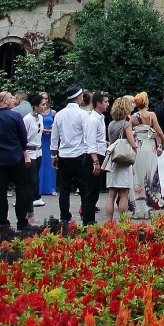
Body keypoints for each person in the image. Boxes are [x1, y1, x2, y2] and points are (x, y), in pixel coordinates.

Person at [0, 91, 33, 230]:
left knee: (2, 191)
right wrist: (21, 149)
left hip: (1, 158)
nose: (13, 100)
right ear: (4, 101)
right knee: (21, 189)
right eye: (11, 98)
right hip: (16, 156)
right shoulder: (15, 116)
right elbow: (23, 137)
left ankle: (3, 222)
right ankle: (21, 221)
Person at [50, 84, 89, 226]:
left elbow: (54, 137)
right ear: (78, 98)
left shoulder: (59, 114)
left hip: (63, 155)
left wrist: (54, 156)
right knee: (84, 188)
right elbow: (86, 135)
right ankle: (86, 215)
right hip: (79, 155)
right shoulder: (83, 114)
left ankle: (65, 217)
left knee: (64, 189)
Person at [131, 91, 164, 216]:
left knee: (138, 175)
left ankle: (139, 206)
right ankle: (153, 202)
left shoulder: (133, 117)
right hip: (149, 146)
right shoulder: (151, 115)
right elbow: (158, 130)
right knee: (152, 173)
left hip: (138, 147)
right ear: (145, 101)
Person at [105, 95, 138, 222]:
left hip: (113, 159)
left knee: (111, 194)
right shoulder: (126, 125)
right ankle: (124, 221)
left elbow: (111, 141)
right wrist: (135, 149)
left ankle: (108, 221)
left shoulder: (111, 124)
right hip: (124, 161)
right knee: (124, 193)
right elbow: (132, 143)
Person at [82, 90, 109, 225]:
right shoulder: (93, 119)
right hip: (94, 157)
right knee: (91, 192)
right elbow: (91, 142)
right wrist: (95, 161)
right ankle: (88, 222)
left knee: (94, 191)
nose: (107, 104)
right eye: (105, 102)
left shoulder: (99, 118)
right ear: (98, 103)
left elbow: (97, 140)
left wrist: (105, 143)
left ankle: (89, 220)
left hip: (98, 154)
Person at [23, 93, 47, 220]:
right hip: (30, 152)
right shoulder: (27, 119)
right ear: (35, 106)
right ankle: (28, 210)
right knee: (30, 181)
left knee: (35, 179)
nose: (45, 107)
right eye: (42, 105)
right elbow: (23, 137)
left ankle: (29, 207)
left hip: (38, 151)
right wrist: (25, 154)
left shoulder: (40, 118)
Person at [39, 93, 57, 197]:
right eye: (42, 98)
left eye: (46, 98)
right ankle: (39, 188)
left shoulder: (53, 112)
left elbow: (56, 125)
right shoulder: (37, 112)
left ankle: (50, 188)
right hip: (40, 139)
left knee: (50, 163)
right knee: (40, 163)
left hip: (49, 140)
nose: (45, 100)